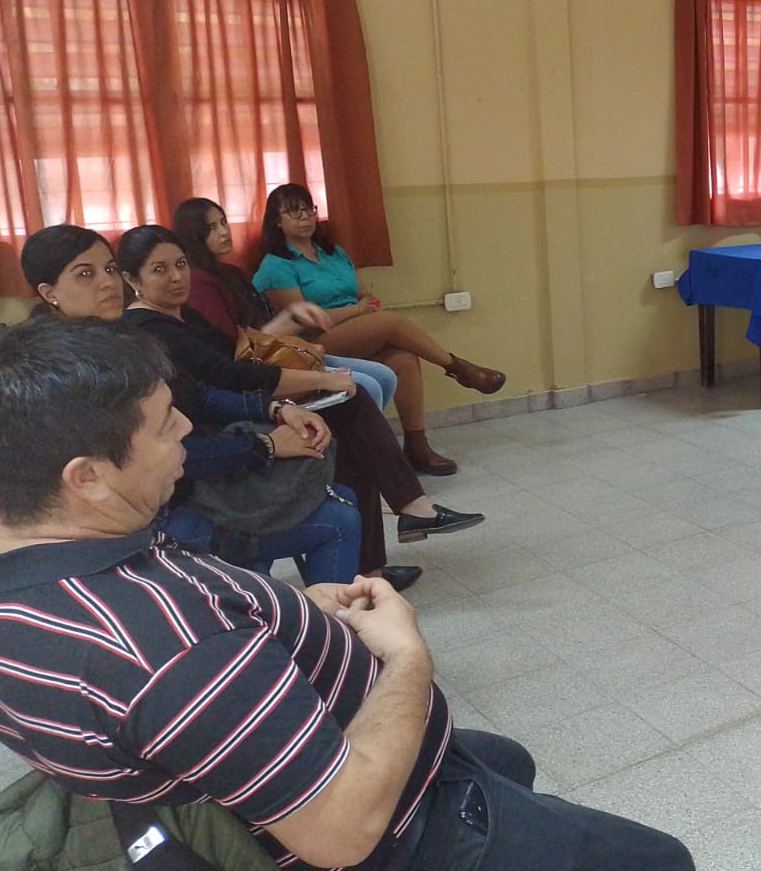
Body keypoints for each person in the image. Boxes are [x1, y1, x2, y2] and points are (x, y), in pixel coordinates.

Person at [0, 316, 697, 871]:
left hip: (252, 785)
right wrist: (407, 659)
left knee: (505, 760)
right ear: (86, 477)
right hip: (366, 866)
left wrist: (283, 612)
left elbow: (175, 673)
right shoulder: (167, 648)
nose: (187, 430)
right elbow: (340, 830)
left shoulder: (28, 567)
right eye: (166, 424)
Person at [115, 226, 484, 579]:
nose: (177, 277)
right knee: (350, 405)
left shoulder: (182, 314)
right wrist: (318, 381)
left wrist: (290, 322)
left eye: (180, 264)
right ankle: (408, 511)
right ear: (132, 279)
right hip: (223, 432)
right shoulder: (149, 327)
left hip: (245, 406)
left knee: (354, 431)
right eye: (159, 269)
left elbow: (237, 353)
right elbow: (230, 375)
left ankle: (376, 559)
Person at [21, 225, 364, 588]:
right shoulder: (69, 372)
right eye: (85, 274)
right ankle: (311, 617)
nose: (107, 283)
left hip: (186, 485)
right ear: (49, 292)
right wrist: (265, 445)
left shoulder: (119, 339)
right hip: (152, 519)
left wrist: (275, 410)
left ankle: (293, 605)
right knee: (339, 519)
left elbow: (198, 393)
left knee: (338, 493)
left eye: (108, 269)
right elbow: (160, 454)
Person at [255, 183, 507, 476]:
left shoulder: (333, 252)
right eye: (294, 212)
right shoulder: (276, 265)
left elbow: (363, 293)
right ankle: (458, 368)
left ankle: (417, 446)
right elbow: (304, 319)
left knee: (404, 359)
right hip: (313, 345)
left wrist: (365, 306)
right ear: (277, 221)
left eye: (308, 210)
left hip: (356, 330)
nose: (305, 218)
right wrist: (358, 311)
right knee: (387, 322)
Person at [172, 196, 400, 416]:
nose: (223, 232)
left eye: (223, 222)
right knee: (367, 384)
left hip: (277, 351)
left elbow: (263, 330)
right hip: (256, 369)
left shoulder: (232, 273)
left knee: (384, 376)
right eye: (211, 228)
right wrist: (293, 319)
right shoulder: (199, 283)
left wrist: (295, 319)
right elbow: (238, 351)